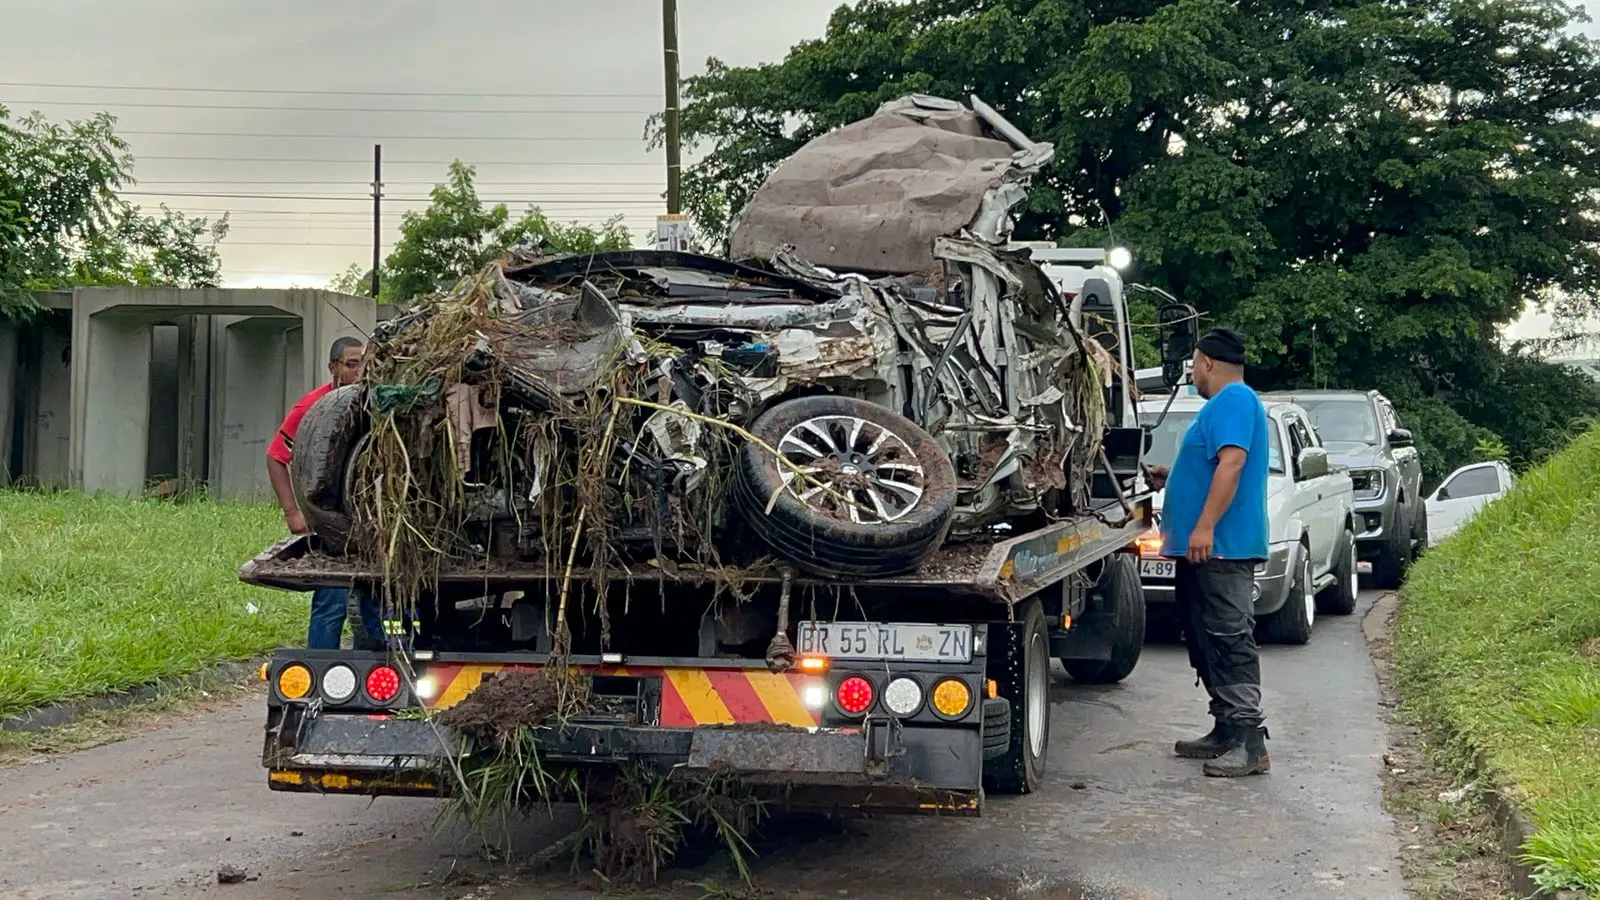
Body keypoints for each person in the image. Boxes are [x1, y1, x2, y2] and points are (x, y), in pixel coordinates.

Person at [1147, 328, 1272, 777]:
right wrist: (1174, 476)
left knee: (1228, 636)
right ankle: (1225, 727)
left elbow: (1232, 463)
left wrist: (1204, 527)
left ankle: (1249, 740)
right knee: (1204, 636)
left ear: (1206, 362)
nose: (1192, 374)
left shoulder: (1234, 400)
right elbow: (1213, 463)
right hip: (1206, 549)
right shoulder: (1222, 407)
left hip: (1223, 547)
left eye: (1194, 365)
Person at [266, 336, 384, 651]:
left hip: (374, 524)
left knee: (375, 601)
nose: (360, 372)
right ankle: (320, 677)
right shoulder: (313, 406)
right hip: (331, 523)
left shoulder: (381, 400)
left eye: (365, 363)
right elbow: (276, 456)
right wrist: (293, 512)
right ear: (333, 367)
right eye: (351, 364)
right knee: (332, 599)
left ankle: (371, 680)